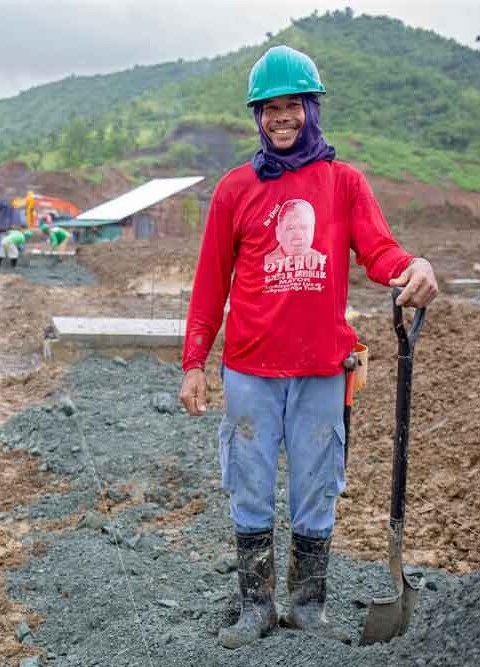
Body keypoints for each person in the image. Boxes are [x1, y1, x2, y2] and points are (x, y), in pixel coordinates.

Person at [178, 45, 438, 650]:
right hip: (249, 368)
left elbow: (380, 251)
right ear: (257, 117)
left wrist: (412, 268)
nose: (281, 118)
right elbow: (209, 282)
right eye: (269, 109)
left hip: (324, 366)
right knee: (249, 481)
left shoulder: (343, 183)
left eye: (292, 105)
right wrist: (194, 362)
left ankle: (307, 604)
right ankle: (256, 606)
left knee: (316, 484)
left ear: (311, 108)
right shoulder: (235, 189)